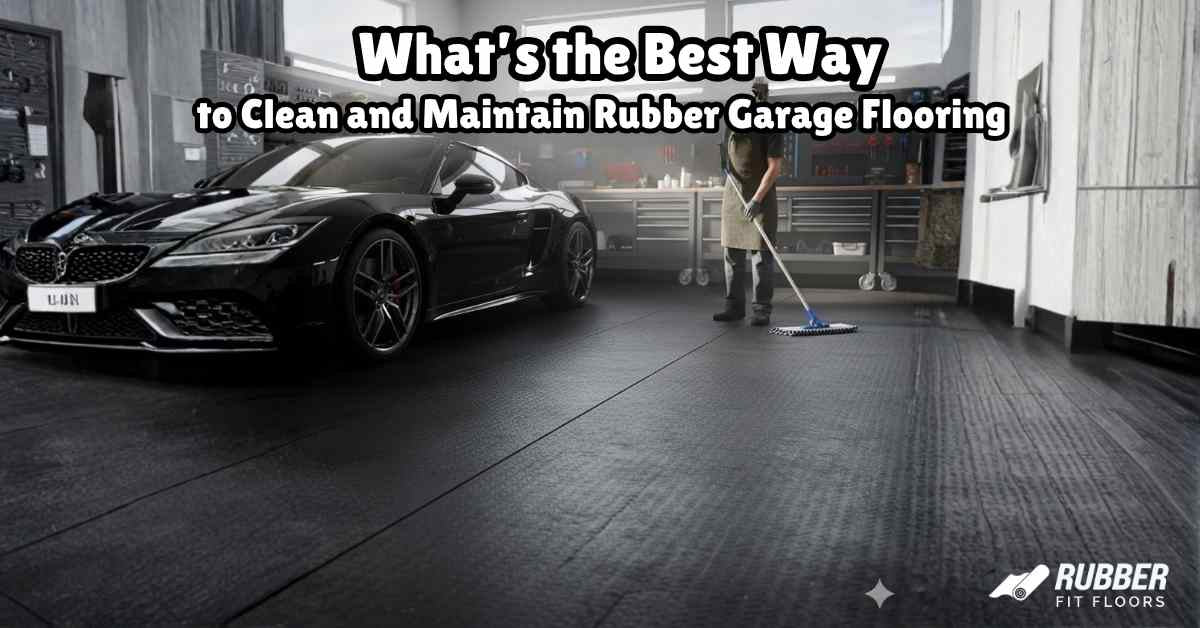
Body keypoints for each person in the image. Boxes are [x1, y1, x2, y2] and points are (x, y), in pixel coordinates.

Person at [713, 78, 784, 326]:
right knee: (731, 254)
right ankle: (734, 307)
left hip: (760, 196)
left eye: (759, 93)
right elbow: (726, 155)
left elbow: (774, 168)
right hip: (733, 193)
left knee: (761, 257)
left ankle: (762, 308)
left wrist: (756, 199)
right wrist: (723, 165)